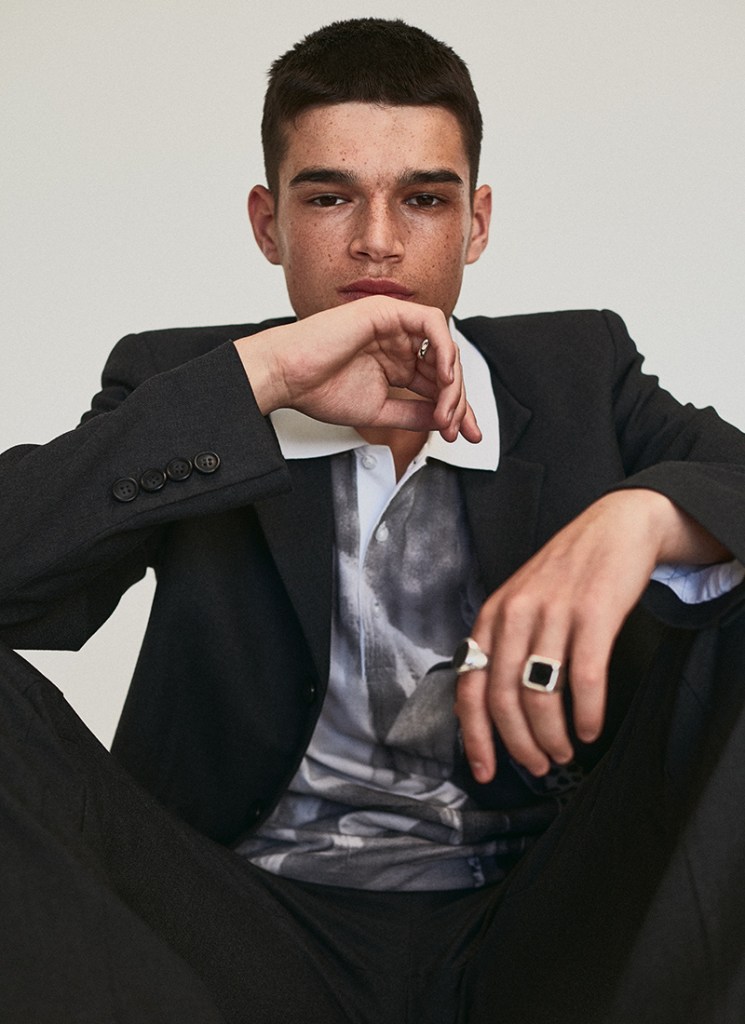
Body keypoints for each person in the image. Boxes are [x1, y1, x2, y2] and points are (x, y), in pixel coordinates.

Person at [2, 16, 745, 1024]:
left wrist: (644, 514)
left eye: (424, 199)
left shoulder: (580, 371)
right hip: (235, 926)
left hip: (541, 919)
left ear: (476, 221)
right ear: (268, 223)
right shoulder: (185, 383)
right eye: (329, 197)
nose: (377, 241)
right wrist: (259, 378)